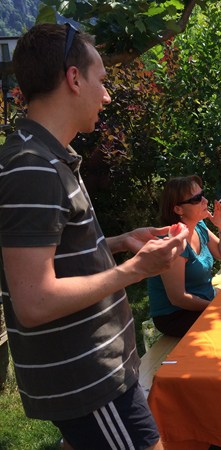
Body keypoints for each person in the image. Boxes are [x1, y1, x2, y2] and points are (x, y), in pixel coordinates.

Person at [0, 23, 189, 450]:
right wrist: (136, 270)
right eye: (101, 81)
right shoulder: (33, 167)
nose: (106, 96)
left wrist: (120, 242)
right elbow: (34, 300)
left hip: (90, 374)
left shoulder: (46, 156)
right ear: (73, 78)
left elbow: (53, 256)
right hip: (90, 380)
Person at [147, 176, 221, 337]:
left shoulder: (199, 226)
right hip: (176, 315)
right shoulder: (172, 242)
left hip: (204, 301)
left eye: (203, 195)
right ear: (178, 209)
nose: (205, 201)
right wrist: (216, 307)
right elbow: (178, 298)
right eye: (197, 199)